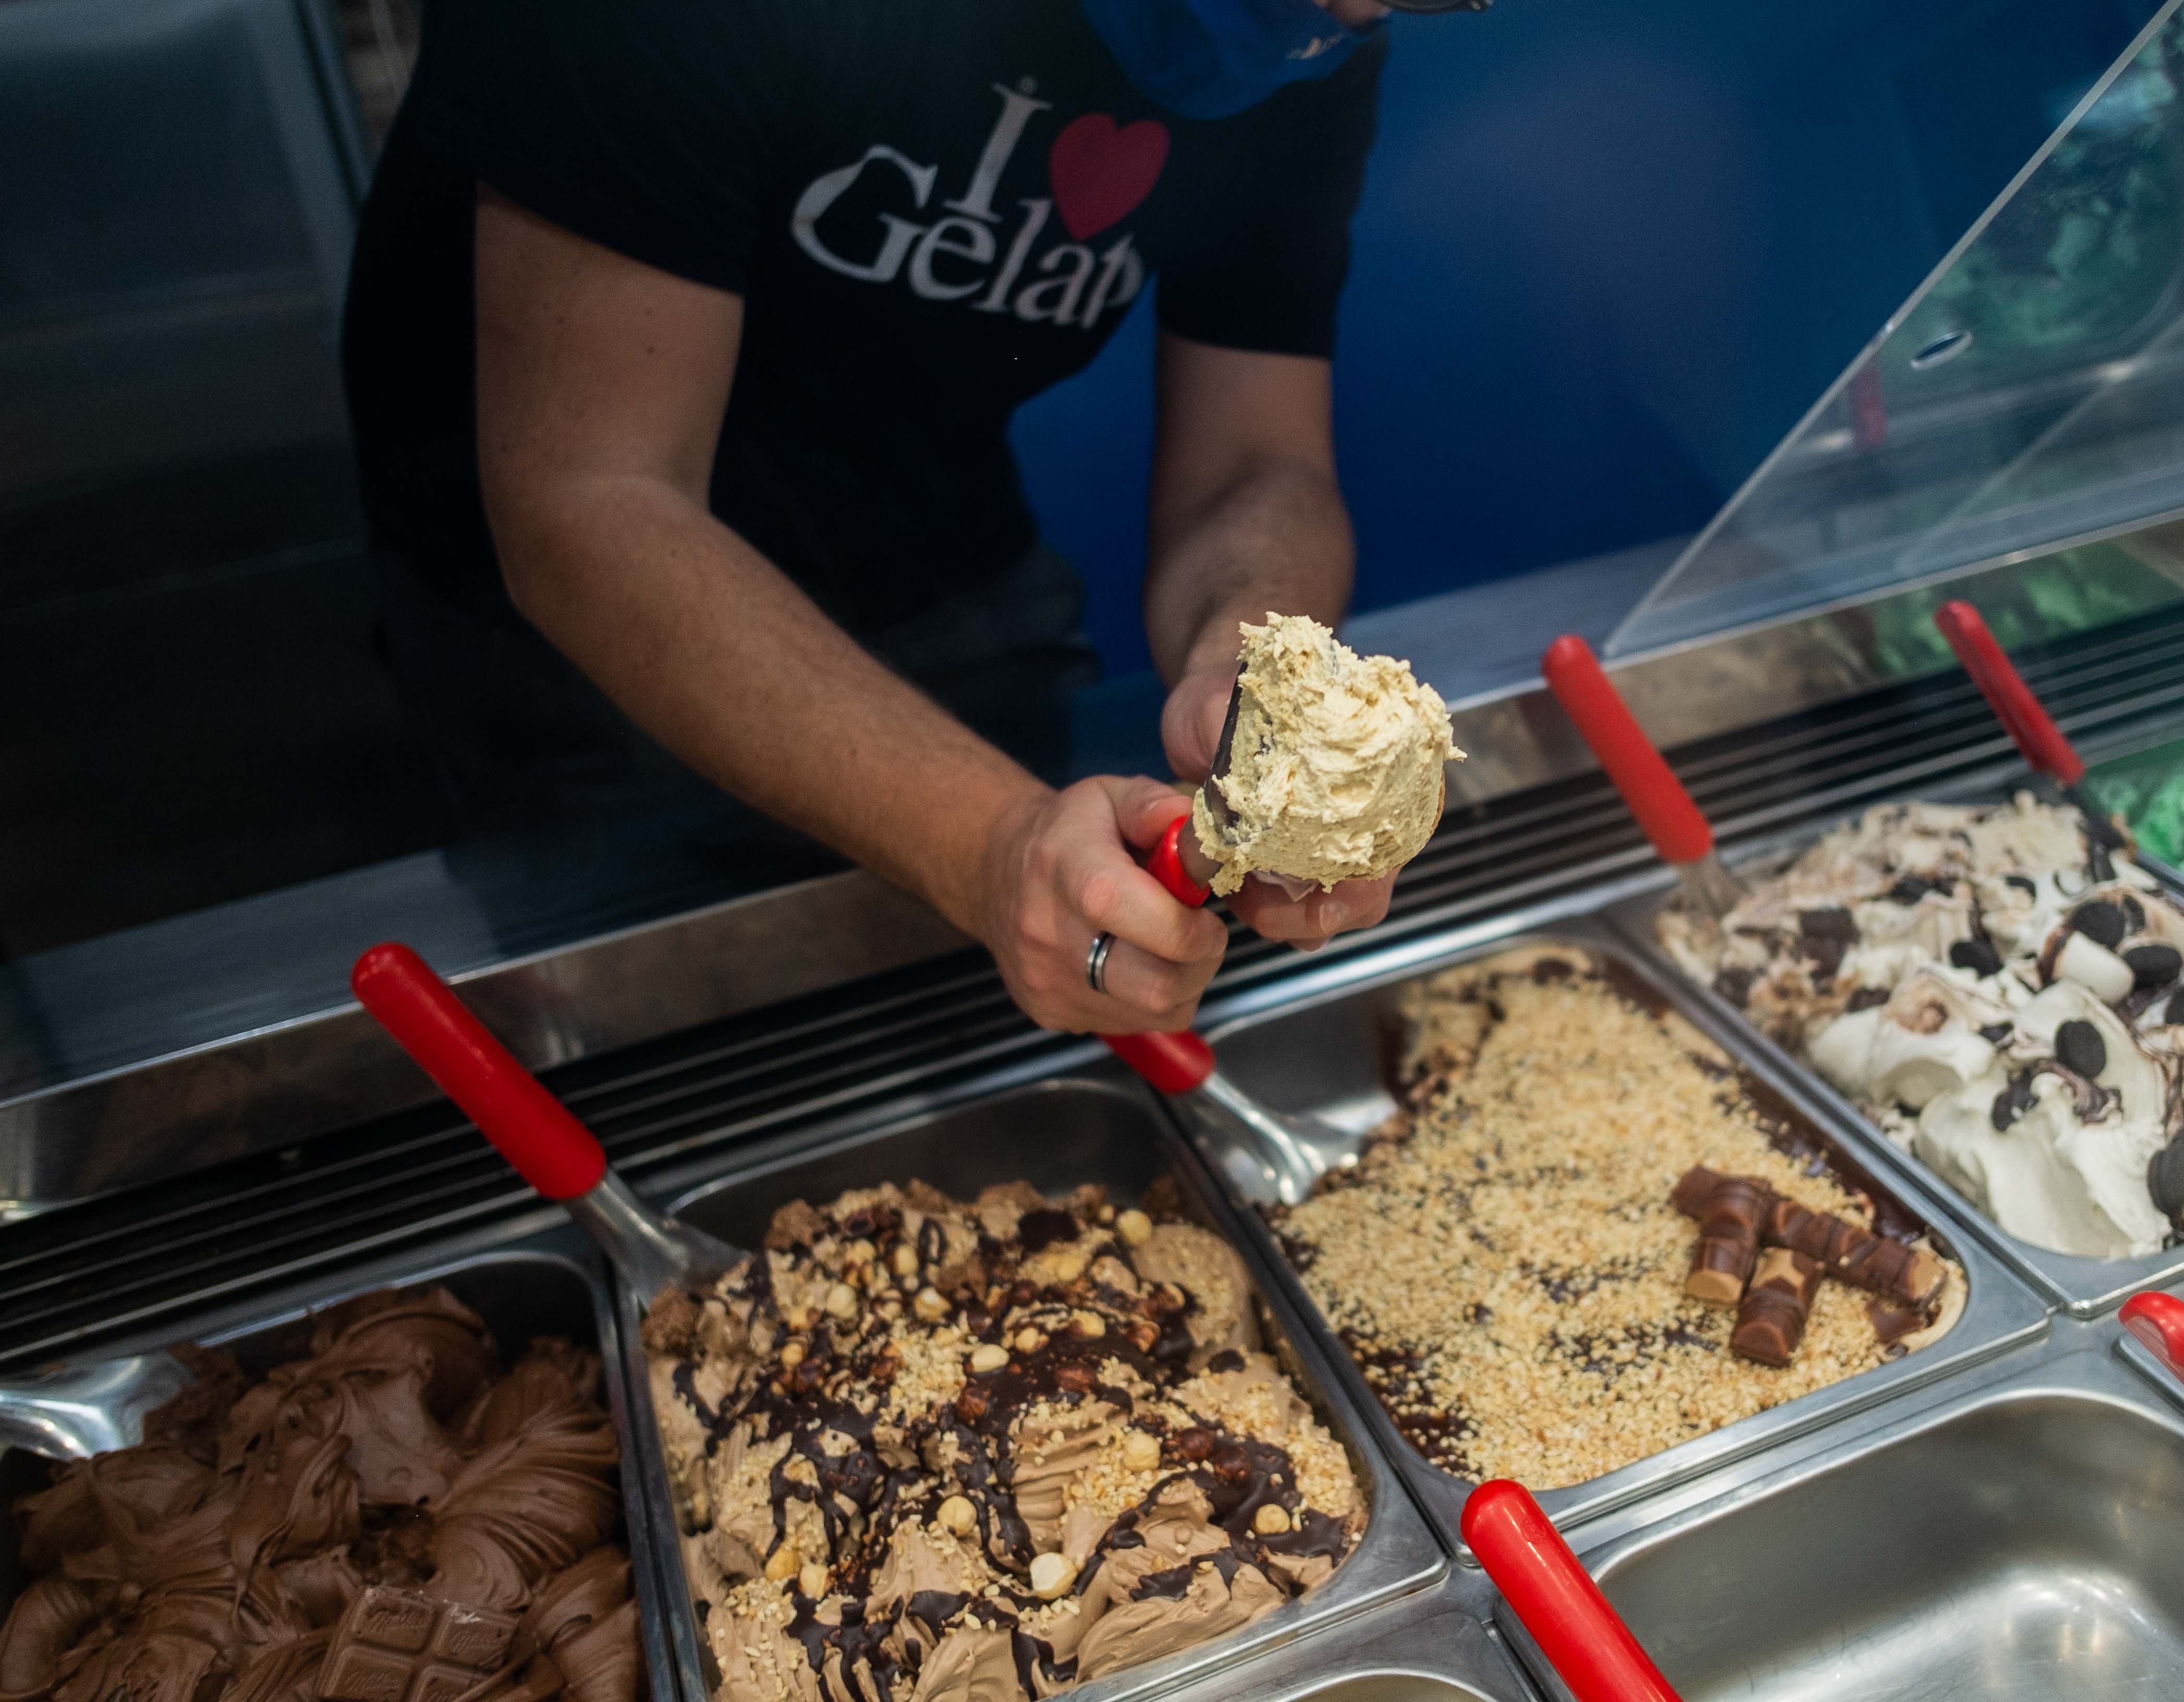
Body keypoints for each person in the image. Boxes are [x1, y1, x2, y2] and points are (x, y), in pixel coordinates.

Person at [341, 0, 1484, 1040]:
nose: (1347, 12)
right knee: (656, 1051)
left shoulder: (1314, 38)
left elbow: (1256, 458)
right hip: (583, 640)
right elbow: (588, 497)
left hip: (941, 554)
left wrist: (1255, 677)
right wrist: (988, 846)